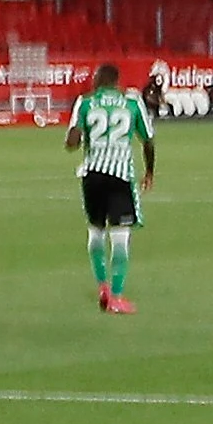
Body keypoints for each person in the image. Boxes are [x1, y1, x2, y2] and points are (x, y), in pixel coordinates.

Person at [65, 60, 157, 314]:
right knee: (120, 235)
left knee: (95, 230)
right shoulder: (131, 102)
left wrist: (82, 133)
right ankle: (116, 297)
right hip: (119, 176)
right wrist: (149, 171)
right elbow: (148, 141)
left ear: (97, 80)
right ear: (117, 82)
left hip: (91, 175)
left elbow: (71, 142)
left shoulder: (85, 103)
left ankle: (102, 286)